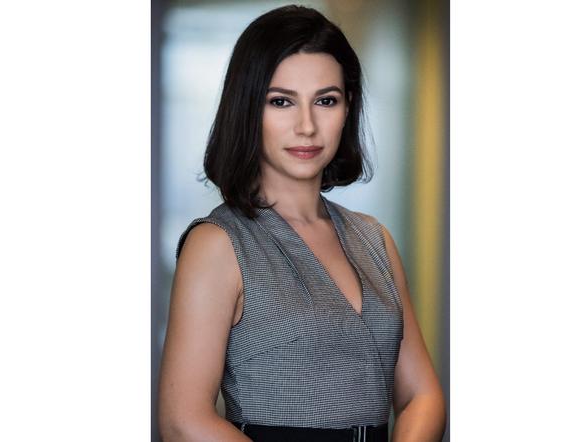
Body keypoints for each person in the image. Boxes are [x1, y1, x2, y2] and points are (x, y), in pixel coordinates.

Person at [159, 5, 445, 441]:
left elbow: (422, 396)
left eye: (326, 101)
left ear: (348, 108)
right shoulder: (218, 244)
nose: (307, 126)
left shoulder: (374, 239)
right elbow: (183, 421)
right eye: (281, 101)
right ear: (248, 109)